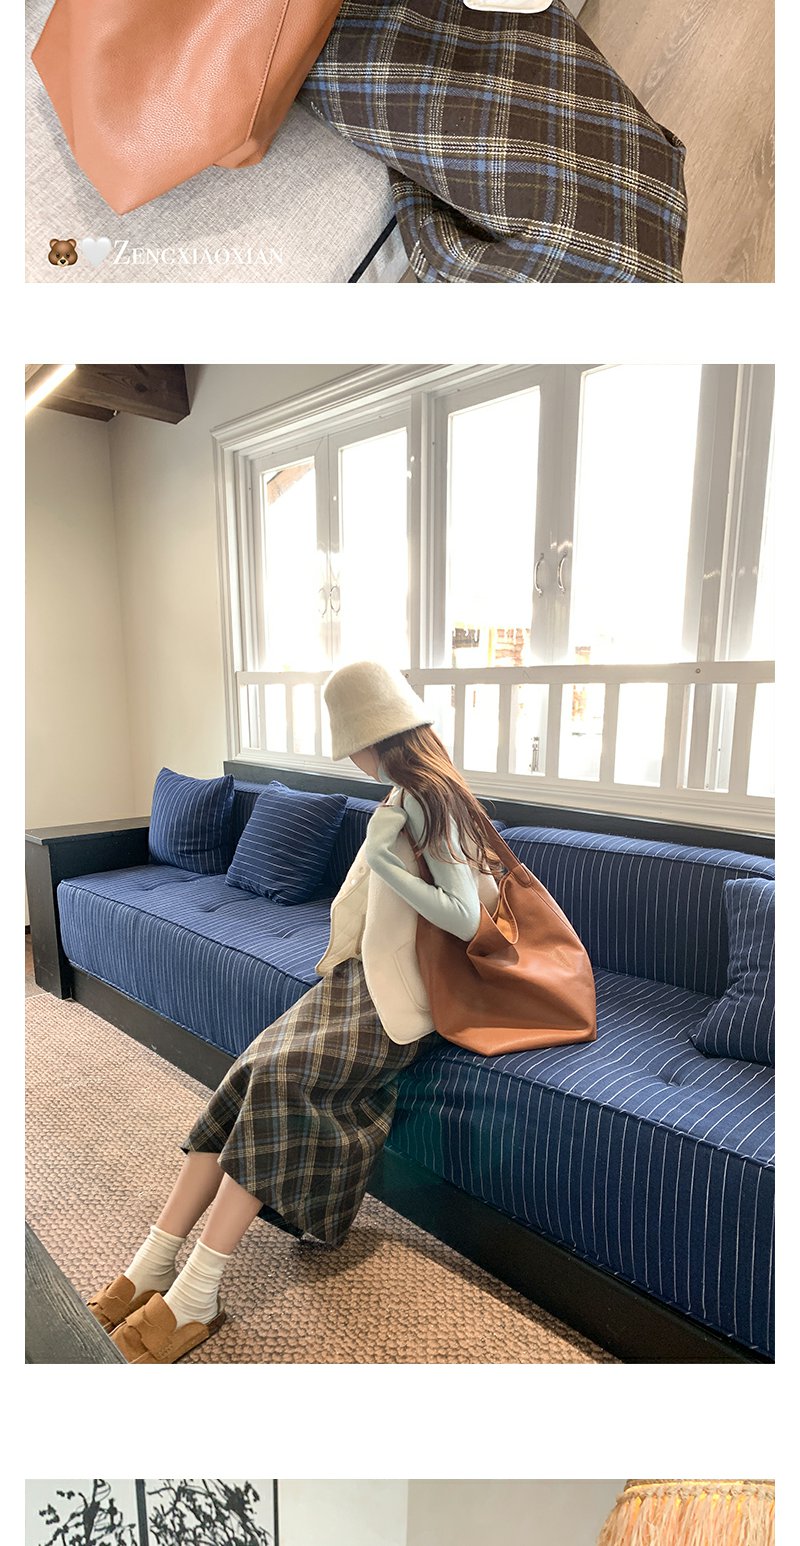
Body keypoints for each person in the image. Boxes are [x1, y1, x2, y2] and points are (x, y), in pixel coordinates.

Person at [87, 661, 505, 1363]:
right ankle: (154, 1261)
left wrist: (387, 861)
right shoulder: (406, 793)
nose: (350, 758)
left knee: (280, 1082)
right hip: (357, 983)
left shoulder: (434, 800)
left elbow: (465, 919)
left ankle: (197, 1294)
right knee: (249, 1070)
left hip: (402, 1005)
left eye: (352, 743)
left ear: (372, 738)